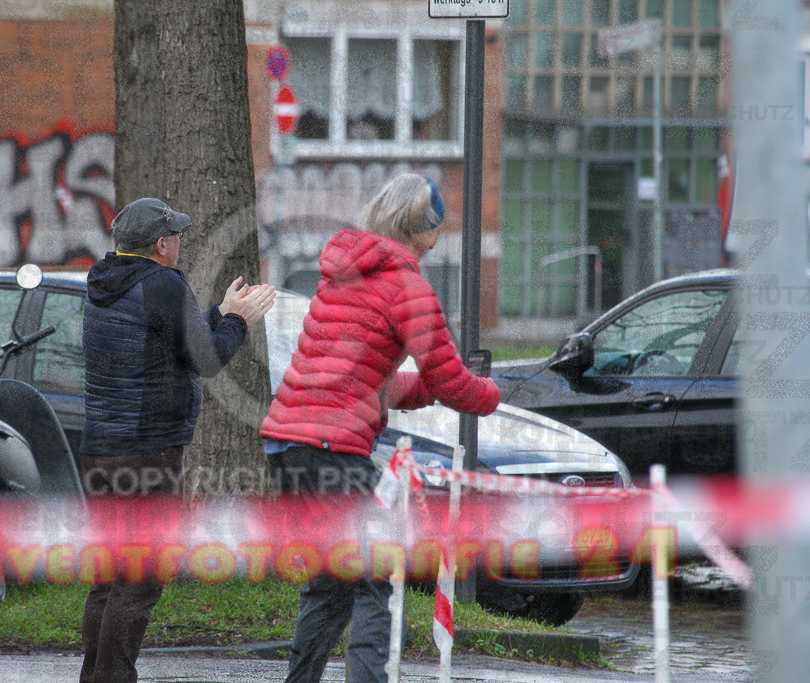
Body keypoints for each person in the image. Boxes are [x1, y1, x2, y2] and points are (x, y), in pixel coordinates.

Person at [260, 173, 501, 683]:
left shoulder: (343, 276)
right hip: (332, 447)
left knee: (332, 582)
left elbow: (368, 385)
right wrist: (492, 394)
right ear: (425, 229)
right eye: (437, 226)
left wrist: (430, 387)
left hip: (287, 442)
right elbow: (453, 382)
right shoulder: (408, 288)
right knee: (378, 577)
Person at [78, 197, 275, 683]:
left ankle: (94, 676)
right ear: (162, 245)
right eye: (178, 235)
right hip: (149, 452)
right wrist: (239, 322)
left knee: (109, 576)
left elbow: (169, 337)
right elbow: (206, 359)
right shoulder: (164, 284)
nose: (182, 242)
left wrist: (220, 311)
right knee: (140, 577)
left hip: (100, 450)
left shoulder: (104, 279)